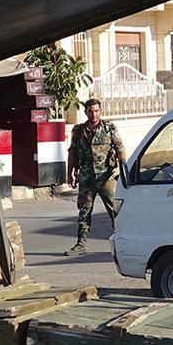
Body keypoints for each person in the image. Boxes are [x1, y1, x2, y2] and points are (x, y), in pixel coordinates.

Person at [67, 97, 125, 255]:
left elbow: (120, 149)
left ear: (100, 111)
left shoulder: (109, 128)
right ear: (86, 112)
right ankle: (81, 244)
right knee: (84, 211)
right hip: (86, 177)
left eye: (97, 111)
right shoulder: (78, 131)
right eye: (91, 111)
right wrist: (69, 173)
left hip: (106, 177)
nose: (94, 114)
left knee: (116, 211)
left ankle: (124, 241)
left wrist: (124, 171)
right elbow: (72, 152)